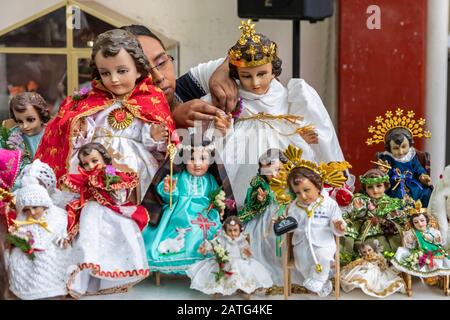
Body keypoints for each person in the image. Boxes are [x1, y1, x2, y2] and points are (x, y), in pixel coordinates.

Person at [200, 20, 344, 208]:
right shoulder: (229, 98)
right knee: (245, 196)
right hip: (242, 153)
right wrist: (222, 129)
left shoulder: (293, 94)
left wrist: (301, 134)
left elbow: (311, 127)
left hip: (285, 148)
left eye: (262, 74)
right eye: (246, 76)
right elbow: (209, 138)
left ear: (273, 70)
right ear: (237, 74)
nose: (255, 83)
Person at [35, 29, 177, 201]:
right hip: (94, 160)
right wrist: (82, 130)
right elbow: (76, 139)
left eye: (122, 71)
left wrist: (154, 136)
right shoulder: (91, 100)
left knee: (127, 204)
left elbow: (161, 149)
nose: (114, 79)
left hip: (134, 164)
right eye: (106, 73)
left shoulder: (150, 100)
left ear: (139, 70)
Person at [61, 142, 149, 298]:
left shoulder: (113, 173)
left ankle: (112, 280)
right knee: (88, 239)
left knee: (122, 231)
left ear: (104, 159)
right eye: (85, 163)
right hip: (92, 211)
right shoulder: (83, 178)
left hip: (113, 211)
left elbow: (121, 198)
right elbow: (76, 194)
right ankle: (82, 282)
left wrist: (110, 184)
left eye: (94, 161)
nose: (90, 166)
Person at [142, 137, 236, 275]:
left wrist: (219, 205)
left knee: (205, 232)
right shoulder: (179, 177)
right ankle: (182, 260)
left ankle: (209, 261)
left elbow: (218, 197)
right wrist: (169, 190)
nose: (197, 164)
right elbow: (170, 198)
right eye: (192, 159)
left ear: (210, 162)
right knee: (189, 230)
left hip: (206, 215)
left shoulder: (210, 180)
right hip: (180, 213)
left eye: (203, 159)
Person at [121, 24, 238, 128]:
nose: (159, 77)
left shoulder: (191, 84)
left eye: (161, 63)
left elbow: (255, 42)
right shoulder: (128, 127)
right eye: (143, 71)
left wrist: (225, 68)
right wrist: (173, 122)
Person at [6, 182, 71, 300]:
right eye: (27, 209)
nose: (32, 213)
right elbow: (19, 233)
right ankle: (29, 292)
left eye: (35, 207)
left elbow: (59, 232)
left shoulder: (56, 216)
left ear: (44, 204)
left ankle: (51, 290)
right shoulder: (23, 219)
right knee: (20, 263)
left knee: (48, 260)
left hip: (50, 248)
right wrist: (21, 238)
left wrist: (63, 239)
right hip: (28, 251)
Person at [187, 216, 273, 298]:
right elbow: (213, 245)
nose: (232, 233)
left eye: (235, 230)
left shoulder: (241, 240)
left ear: (240, 230)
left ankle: (245, 288)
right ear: (225, 230)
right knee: (217, 271)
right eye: (230, 230)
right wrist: (205, 248)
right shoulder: (222, 238)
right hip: (223, 262)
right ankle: (221, 288)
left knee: (244, 270)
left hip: (239, 261)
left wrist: (247, 253)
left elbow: (245, 252)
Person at [238, 148, 287, 287]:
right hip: (264, 219)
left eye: (278, 170)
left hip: (285, 216)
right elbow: (251, 200)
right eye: (268, 172)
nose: (274, 175)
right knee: (261, 242)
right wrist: (259, 199)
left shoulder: (291, 182)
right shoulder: (260, 183)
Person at [367, 108, 433, 207]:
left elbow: (418, 168)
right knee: (395, 197)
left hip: (412, 184)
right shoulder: (387, 157)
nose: (401, 152)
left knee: (425, 192)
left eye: (404, 147)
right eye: (396, 148)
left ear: (410, 144)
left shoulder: (412, 156)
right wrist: (384, 171)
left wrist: (423, 176)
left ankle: (420, 213)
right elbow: (385, 173)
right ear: (389, 148)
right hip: (395, 185)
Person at [341, 169, 408, 263]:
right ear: (365, 189)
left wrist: (395, 215)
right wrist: (360, 210)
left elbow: (401, 218)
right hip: (365, 229)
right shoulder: (361, 200)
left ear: (385, 186)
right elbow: (355, 214)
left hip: (387, 230)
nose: (375, 191)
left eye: (379, 186)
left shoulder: (392, 202)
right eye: (370, 187)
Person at [0, 92, 50, 188]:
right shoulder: (11, 137)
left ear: (41, 115)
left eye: (30, 120)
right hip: (19, 184)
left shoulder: (51, 133)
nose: (25, 126)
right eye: (19, 121)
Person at [391, 204, 450, 277]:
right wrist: (409, 240)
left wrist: (437, 239)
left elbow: (439, 242)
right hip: (419, 253)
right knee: (401, 251)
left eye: (422, 220)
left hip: (433, 253)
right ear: (413, 224)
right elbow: (408, 245)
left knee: (439, 264)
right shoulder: (412, 232)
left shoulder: (433, 231)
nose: (420, 224)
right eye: (416, 222)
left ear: (427, 221)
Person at [340, 240, 405, 298]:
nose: (367, 253)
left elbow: (383, 264)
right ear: (362, 253)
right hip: (366, 268)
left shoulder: (377, 255)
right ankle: (360, 281)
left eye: (369, 250)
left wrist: (379, 264)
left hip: (376, 269)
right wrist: (363, 263)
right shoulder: (364, 258)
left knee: (372, 276)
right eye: (364, 252)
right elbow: (359, 262)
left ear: (373, 249)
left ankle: (369, 283)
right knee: (359, 272)